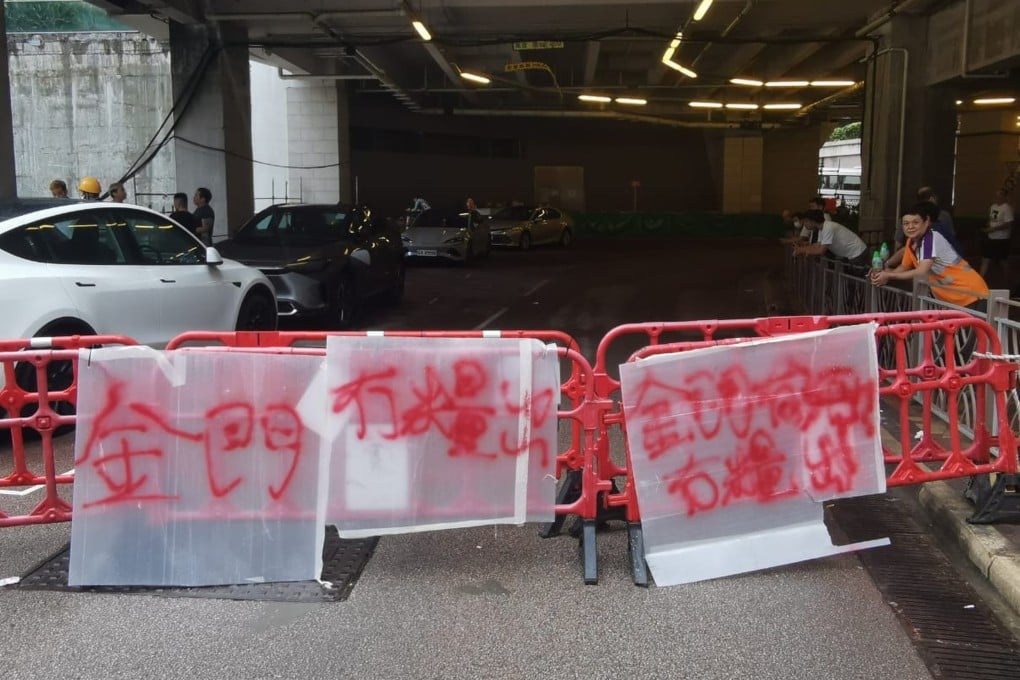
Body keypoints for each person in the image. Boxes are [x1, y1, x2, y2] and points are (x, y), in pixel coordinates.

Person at [870, 202, 988, 311]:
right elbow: (903, 267)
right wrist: (883, 274)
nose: (910, 227)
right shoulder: (911, 242)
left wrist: (889, 275)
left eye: (915, 222)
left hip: (970, 294)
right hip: (953, 297)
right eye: (906, 223)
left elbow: (921, 271)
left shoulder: (930, 238)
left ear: (926, 222)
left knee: (973, 333)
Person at [793, 209, 871, 270]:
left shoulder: (827, 227)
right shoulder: (822, 228)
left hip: (857, 253)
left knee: (856, 282)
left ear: (812, 221)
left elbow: (821, 250)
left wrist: (801, 250)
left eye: (806, 221)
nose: (804, 224)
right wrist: (801, 249)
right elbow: (818, 245)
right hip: (853, 254)